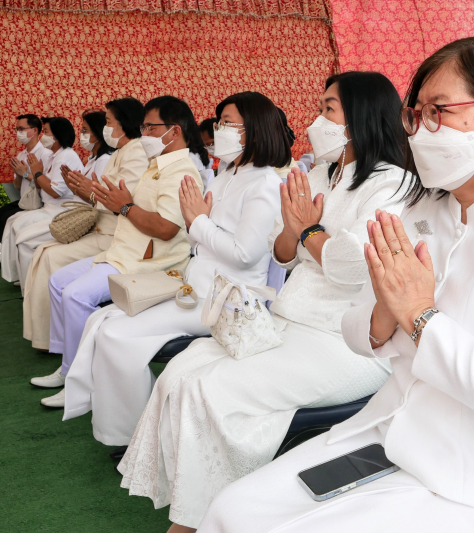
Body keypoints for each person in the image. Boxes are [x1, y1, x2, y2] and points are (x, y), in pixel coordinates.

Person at [199, 36, 474, 533]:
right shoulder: (423, 211)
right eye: (417, 115)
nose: (422, 132)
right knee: (232, 510)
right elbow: (359, 332)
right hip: (400, 435)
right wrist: (384, 315)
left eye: (441, 111)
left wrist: (420, 315)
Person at [117, 72, 408, 532]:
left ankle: (196, 523)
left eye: (329, 109)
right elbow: (282, 252)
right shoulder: (319, 172)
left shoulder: (391, 184)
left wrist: (308, 231)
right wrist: (299, 233)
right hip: (290, 317)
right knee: (182, 372)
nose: (317, 120)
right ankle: (193, 501)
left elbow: (353, 266)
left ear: (361, 117)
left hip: (346, 338)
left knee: (212, 389)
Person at [62, 91, 287, 450]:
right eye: (220, 122)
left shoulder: (265, 184)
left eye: (227, 123)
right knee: (105, 323)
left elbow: (244, 255)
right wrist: (199, 227)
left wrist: (197, 223)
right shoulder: (226, 175)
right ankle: (127, 425)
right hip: (197, 284)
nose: (219, 129)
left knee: (118, 336)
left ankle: (133, 435)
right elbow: (203, 240)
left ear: (253, 130)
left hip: (227, 299)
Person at [31, 96, 206, 408]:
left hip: (148, 262)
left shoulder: (181, 170)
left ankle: (85, 384)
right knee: (59, 281)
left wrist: (124, 205)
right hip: (125, 252)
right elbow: (125, 203)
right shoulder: (158, 164)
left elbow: (167, 228)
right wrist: (111, 199)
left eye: (150, 127)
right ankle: (69, 366)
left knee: (75, 295)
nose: (144, 133)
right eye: (143, 126)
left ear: (174, 131)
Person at [21, 98, 148, 351]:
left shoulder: (136, 152)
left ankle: (54, 341)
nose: (105, 128)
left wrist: (88, 191)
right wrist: (83, 189)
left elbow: (121, 199)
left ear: (124, 124)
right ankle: (51, 337)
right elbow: (103, 195)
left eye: (108, 122)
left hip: (114, 234)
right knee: (42, 252)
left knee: (48, 257)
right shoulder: (121, 152)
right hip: (102, 225)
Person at [0, 117, 84, 284]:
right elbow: (41, 187)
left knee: (23, 237)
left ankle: (31, 284)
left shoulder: (65, 155)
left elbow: (54, 192)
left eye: (46, 132)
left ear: (57, 136)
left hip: (63, 209)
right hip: (49, 207)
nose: (43, 135)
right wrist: (24, 173)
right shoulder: (55, 156)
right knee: (12, 222)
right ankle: (18, 276)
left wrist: (36, 173)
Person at [0, 114, 52, 243]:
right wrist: (20, 174)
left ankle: (14, 255)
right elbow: (17, 186)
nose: (18, 133)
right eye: (17, 130)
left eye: (22, 129)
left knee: (6, 218)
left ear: (34, 130)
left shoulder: (45, 153)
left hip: (39, 201)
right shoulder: (21, 155)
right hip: (25, 200)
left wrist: (25, 174)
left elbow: (45, 182)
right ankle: (7, 255)